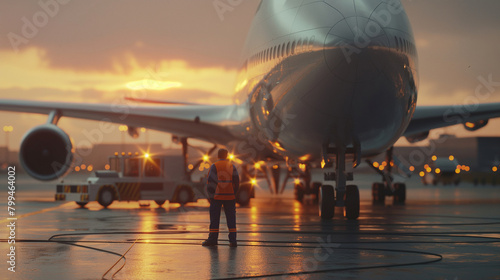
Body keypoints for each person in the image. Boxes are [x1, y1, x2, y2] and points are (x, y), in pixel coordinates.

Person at [202, 148, 239, 247]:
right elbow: (237, 182)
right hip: (230, 197)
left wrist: (211, 196)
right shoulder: (232, 166)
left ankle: (213, 239)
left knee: (215, 219)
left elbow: (210, 182)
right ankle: (233, 240)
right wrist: (233, 193)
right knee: (231, 219)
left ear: (218, 156)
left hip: (217, 197)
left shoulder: (214, 166)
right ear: (226, 156)